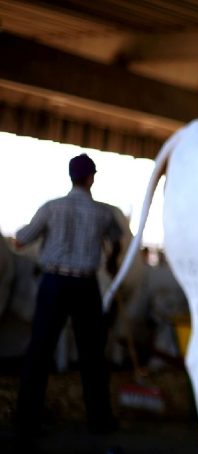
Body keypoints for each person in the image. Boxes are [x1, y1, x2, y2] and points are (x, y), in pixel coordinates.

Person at [13, 153, 123, 436]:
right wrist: (111, 262)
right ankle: (99, 420)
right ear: (91, 178)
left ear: (71, 176)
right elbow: (116, 239)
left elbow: (22, 239)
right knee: (92, 354)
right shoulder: (103, 213)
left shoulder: (52, 208)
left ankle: (27, 418)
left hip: (54, 283)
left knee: (40, 349)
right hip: (86, 286)